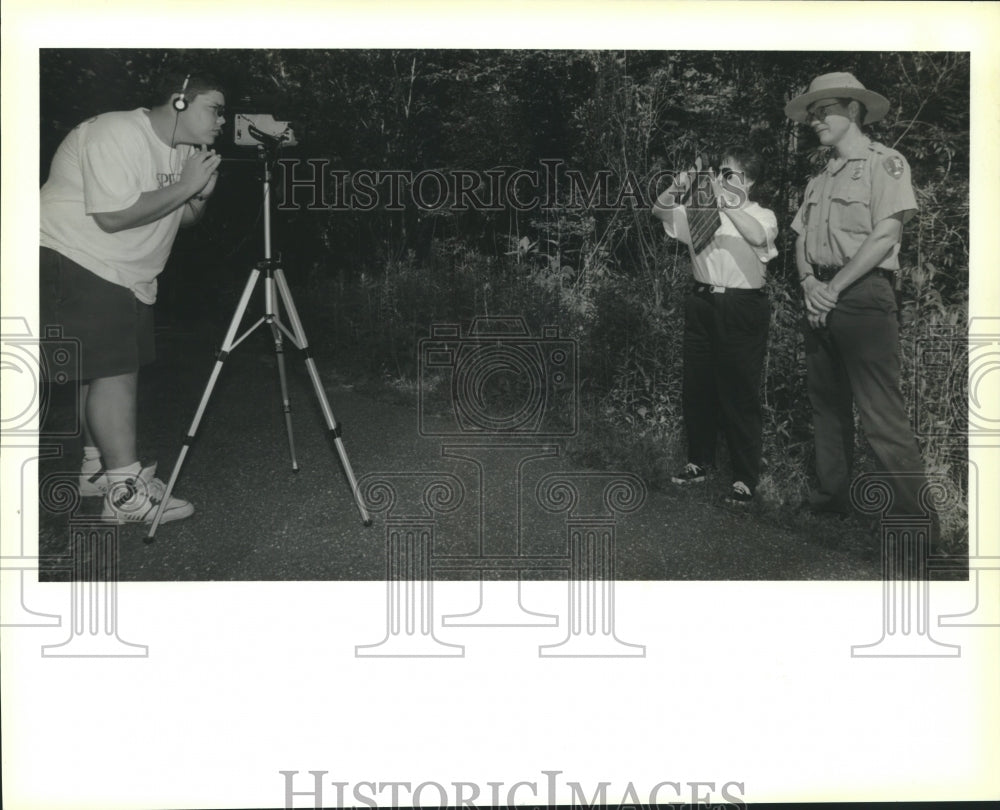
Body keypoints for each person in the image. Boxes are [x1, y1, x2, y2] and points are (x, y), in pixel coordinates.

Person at [40, 72, 226, 524]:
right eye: (214, 109)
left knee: (97, 372)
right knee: (116, 372)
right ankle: (126, 493)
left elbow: (176, 218)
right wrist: (185, 187)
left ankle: (95, 470)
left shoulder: (185, 153)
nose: (222, 121)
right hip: (78, 255)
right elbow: (111, 216)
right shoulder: (115, 131)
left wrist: (198, 197)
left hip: (127, 273)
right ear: (179, 101)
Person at [785, 72, 933, 526]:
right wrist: (809, 280)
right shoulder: (819, 177)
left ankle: (917, 525)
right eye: (811, 113)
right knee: (826, 406)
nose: (814, 120)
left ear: (852, 111)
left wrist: (833, 288)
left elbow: (886, 232)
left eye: (823, 110)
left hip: (863, 295)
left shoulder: (885, 163)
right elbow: (799, 237)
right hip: (820, 296)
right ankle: (832, 502)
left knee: (881, 415)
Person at [652, 146, 778, 505]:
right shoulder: (698, 212)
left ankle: (744, 478)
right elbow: (658, 209)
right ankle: (699, 461)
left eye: (730, 174)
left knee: (739, 392)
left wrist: (728, 203)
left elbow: (757, 238)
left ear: (749, 181)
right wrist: (685, 181)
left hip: (742, 306)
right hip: (702, 301)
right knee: (698, 386)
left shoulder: (761, 214)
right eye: (718, 173)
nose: (720, 180)